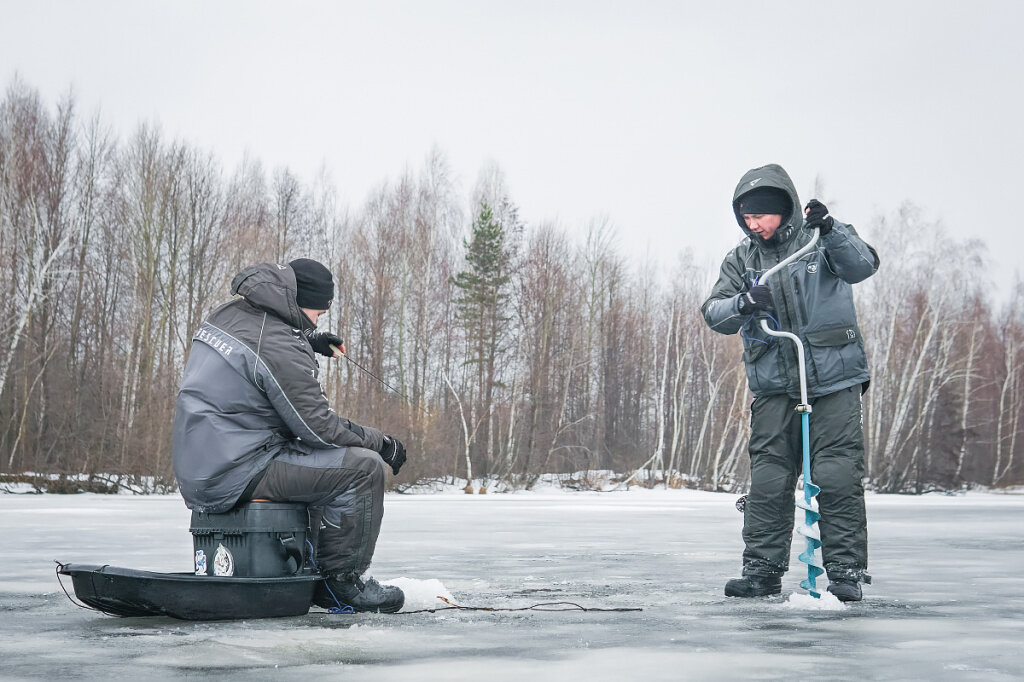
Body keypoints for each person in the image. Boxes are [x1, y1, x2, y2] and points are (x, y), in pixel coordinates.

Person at [172, 258, 408, 613]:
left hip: (203, 464)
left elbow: (260, 346)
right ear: (306, 303)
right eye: (318, 314)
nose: (317, 320)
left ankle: (309, 569)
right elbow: (319, 430)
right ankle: (339, 584)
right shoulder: (280, 347)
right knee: (363, 468)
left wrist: (308, 339)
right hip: (237, 468)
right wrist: (382, 443)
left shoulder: (229, 314)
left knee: (312, 462)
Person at [701, 163, 880, 602]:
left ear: (782, 208)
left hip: (834, 378)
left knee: (837, 474)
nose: (752, 224)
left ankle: (845, 571)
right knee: (769, 477)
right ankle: (761, 570)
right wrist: (743, 302)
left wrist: (833, 230)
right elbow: (714, 312)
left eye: (758, 215)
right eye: (745, 218)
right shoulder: (741, 259)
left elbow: (862, 265)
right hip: (775, 381)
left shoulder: (820, 241)